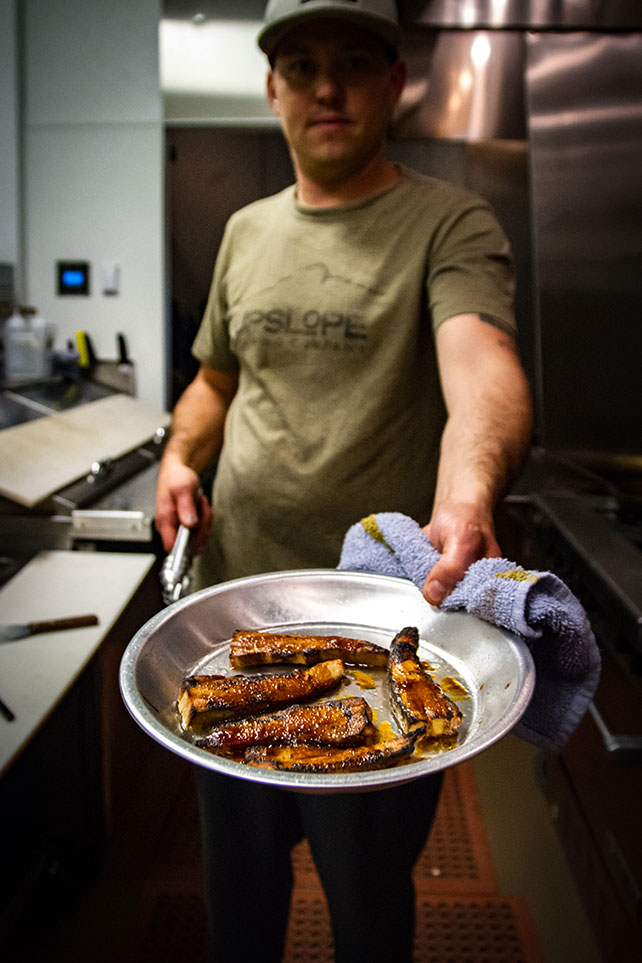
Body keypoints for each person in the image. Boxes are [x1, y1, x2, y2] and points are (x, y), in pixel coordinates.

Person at [155, 2, 533, 961]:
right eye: (304, 64)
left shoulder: (448, 219)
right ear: (273, 87)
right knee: (238, 893)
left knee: (366, 897)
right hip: (233, 617)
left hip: (379, 639)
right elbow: (215, 379)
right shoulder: (244, 231)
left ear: (396, 81)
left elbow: (481, 366)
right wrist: (177, 455)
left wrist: (466, 498)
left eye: (356, 63)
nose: (329, 87)